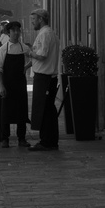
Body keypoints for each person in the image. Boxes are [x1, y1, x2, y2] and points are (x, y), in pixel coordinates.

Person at [29, 8, 61, 151]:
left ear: (41, 19)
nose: (32, 23)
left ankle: (47, 141)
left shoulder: (45, 34)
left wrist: (28, 53)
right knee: (47, 109)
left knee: (45, 109)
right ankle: (49, 140)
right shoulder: (46, 33)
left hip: (45, 77)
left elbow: (42, 55)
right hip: (45, 76)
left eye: (34, 19)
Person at [0, 20, 31, 148]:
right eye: (13, 30)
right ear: (8, 32)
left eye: (18, 30)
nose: (16, 33)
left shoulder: (24, 47)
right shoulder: (3, 49)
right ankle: (5, 138)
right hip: (7, 84)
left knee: (22, 110)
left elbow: (34, 57)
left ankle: (22, 138)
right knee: (5, 112)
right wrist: (1, 86)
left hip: (20, 84)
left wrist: (26, 67)